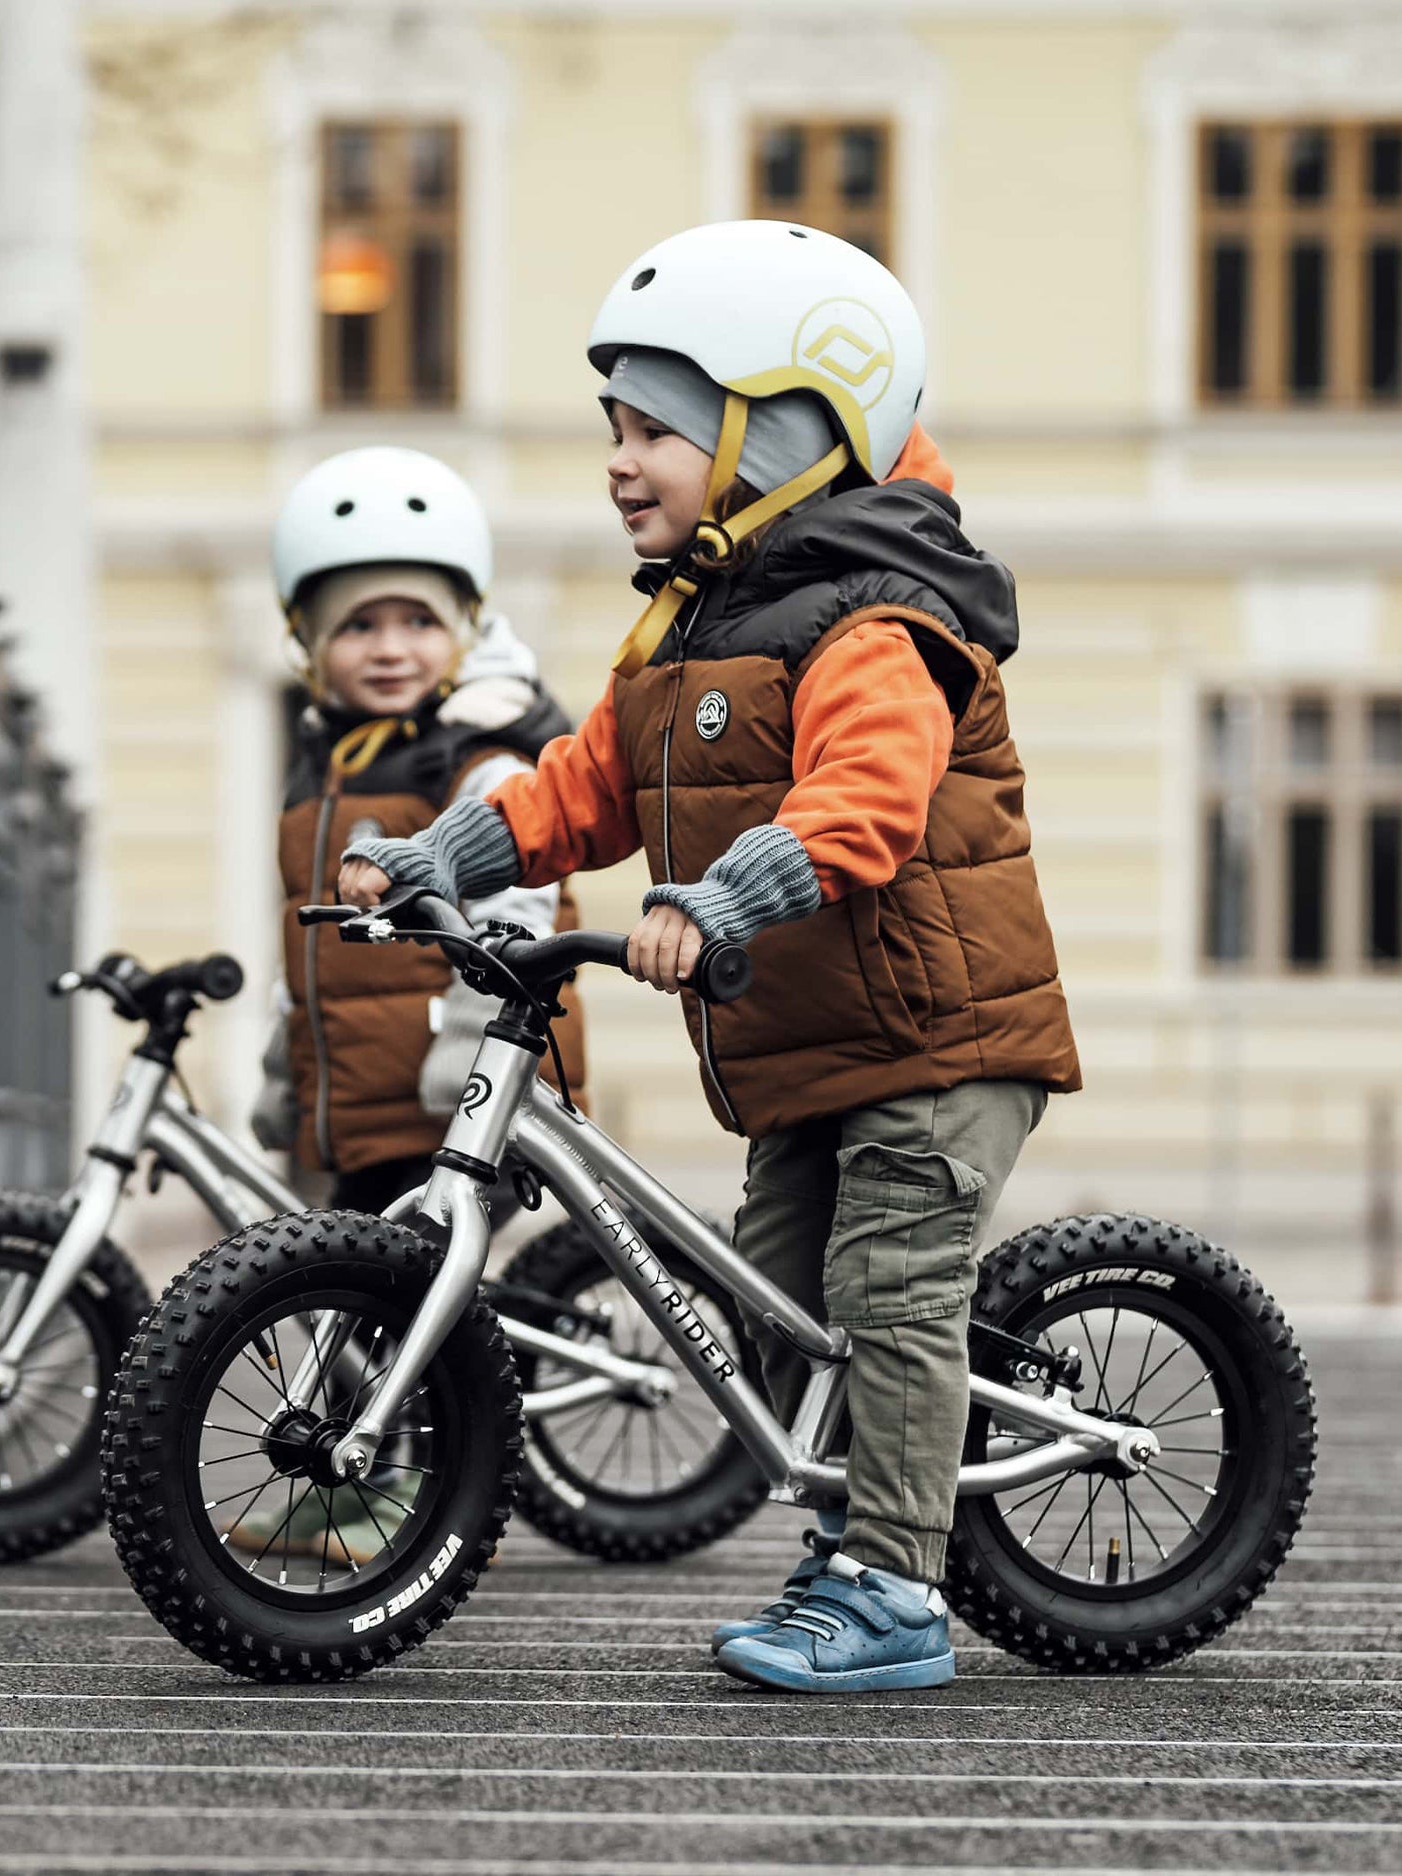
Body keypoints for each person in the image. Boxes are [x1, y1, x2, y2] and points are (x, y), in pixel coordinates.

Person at [337, 222, 1081, 1692]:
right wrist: (439, 861)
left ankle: (888, 1594)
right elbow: (578, 791)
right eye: (611, 427)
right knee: (776, 1303)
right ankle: (852, 1534)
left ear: (790, 434)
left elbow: (861, 803)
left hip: (938, 1042)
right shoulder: (687, 628)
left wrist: (724, 899)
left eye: (656, 429)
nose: (619, 461)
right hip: (809, 1048)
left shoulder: (880, 616)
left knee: (886, 1294)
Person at [236, 445, 586, 1563]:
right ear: (308, 644)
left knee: (401, 1307)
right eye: (357, 626)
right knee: (334, 1302)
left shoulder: (479, 752)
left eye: (416, 622)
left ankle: (401, 1493)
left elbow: (521, 899)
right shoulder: (324, 757)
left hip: (446, 1090)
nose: (389, 648)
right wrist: (287, 1073)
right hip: (357, 1094)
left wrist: (464, 1044)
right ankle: (343, 1484)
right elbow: (319, 949)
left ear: (464, 627)